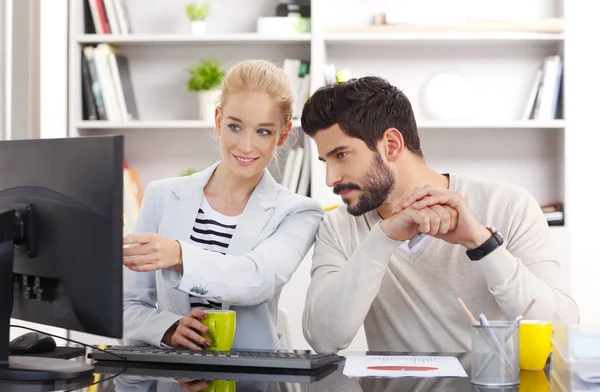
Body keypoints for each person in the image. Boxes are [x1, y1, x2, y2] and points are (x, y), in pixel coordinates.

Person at [300, 76, 579, 355]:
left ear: (392, 145)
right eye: (326, 161)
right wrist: (382, 239)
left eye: (342, 155)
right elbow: (324, 340)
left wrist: (483, 245)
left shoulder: (508, 205)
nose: (330, 178)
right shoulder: (337, 226)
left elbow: (561, 331)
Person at [121, 59, 323, 351]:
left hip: (251, 382)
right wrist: (167, 329)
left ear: (282, 133)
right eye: (235, 126)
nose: (246, 146)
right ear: (218, 120)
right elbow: (127, 305)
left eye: (263, 131)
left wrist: (179, 255)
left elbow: (258, 280)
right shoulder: (160, 197)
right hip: (174, 379)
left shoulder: (299, 212)